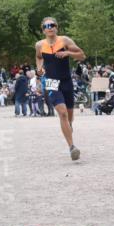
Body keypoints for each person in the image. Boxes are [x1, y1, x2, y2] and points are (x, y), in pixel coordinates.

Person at [35, 17, 86, 160]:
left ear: (57, 27)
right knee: (62, 113)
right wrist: (39, 68)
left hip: (66, 81)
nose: (49, 27)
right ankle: (72, 147)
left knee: (69, 116)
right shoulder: (39, 45)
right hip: (51, 81)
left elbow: (82, 55)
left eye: (52, 25)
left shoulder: (65, 41)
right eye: (46, 26)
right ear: (43, 29)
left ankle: (69, 126)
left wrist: (68, 53)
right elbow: (39, 57)